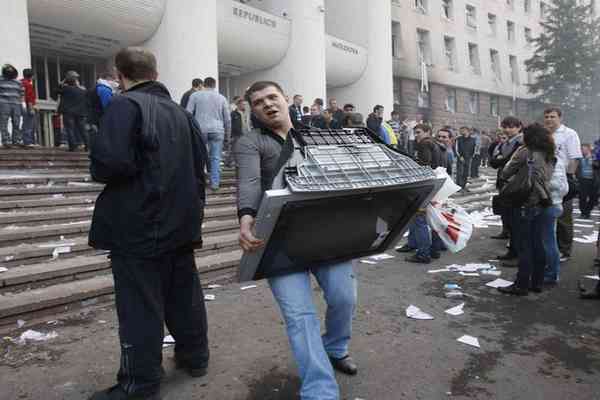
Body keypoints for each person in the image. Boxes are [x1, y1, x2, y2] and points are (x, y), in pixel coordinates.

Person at [87, 47, 209, 400]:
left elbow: (109, 164)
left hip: (140, 226)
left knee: (140, 306)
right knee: (184, 297)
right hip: (181, 223)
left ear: (120, 74)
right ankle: (195, 357)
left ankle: (139, 383)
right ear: (155, 73)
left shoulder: (125, 105)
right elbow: (199, 169)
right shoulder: (182, 113)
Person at [235, 81, 358, 400]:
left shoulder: (316, 133)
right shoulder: (250, 142)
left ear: (286, 100)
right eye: (259, 102)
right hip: (279, 240)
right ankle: (320, 390)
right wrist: (246, 216)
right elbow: (249, 182)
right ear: (254, 110)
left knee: (344, 298)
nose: (267, 104)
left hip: (327, 234)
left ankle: (335, 347)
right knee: (299, 317)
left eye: (272, 97)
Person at [498, 123, 554, 296]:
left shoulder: (525, 151)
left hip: (524, 202)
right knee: (538, 243)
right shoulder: (549, 153)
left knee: (524, 246)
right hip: (543, 201)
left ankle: (521, 284)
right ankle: (536, 282)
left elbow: (506, 172)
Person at [397, 124, 447, 263]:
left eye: (418, 132)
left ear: (428, 132)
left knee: (418, 218)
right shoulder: (436, 144)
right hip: (436, 184)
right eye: (415, 132)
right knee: (432, 218)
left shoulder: (424, 144)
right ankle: (431, 248)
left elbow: (424, 164)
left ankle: (423, 253)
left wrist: (411, 165)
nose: (416, 135)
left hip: (425, 186)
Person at [544, 107, 582, 260]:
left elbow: (574, 157)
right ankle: (550, 248)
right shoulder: (544, 134)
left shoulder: (569, 134)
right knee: (547, 216)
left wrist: (570, 177)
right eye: (546, 116)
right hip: (545, 179)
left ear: (560, 118)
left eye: (552, 116)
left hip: (563, 179)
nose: (549, 119)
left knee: (563, 216)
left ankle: (564, 249)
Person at [187, 76, 231, 191]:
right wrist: (228, 135)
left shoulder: (195, 96)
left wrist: (189, 130)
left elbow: (188, 113)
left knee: (199, 156)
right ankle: (214, 184)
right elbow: (227, 119)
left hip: (200, 129)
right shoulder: (222, 98)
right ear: (214, 85)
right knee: (215, 158)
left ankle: (199, 182)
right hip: (217, 130)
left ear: (204, 84)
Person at [492, 117, 524, 258]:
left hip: (515, 183)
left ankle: (516, 252)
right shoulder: (504, 143)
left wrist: (500, 160)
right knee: (508, 217)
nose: (507, 129)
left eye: (511, 127)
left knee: (516, 220)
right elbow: (493, 162)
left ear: (518, 127)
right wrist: (499, 160)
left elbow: (508, 161)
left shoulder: (520, 142)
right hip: (504, 181)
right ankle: (512, 248)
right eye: (505, 127)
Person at [57, 71, 88, 151]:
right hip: (80, 113)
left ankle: (72, 146)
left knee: (69, 129)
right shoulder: (82, 90)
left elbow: (56, 91)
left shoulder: (66, 89)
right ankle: (88, 146)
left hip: (69, 112)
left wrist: (61, 83)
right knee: (83, 130)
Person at [0, 64, 24, 148]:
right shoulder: (1, 80)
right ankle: (6, 141)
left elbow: (21, 93)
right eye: (8, 70)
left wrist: (21, 103)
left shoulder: (18, 82)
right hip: (4, 103)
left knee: (17, 123)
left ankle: (16, 141)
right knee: (4, 122)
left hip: (16, 104)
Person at [225, 96, 249, 167]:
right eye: (242, 104)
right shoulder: (233, 114)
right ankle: (228, 162)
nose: (244, 106)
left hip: (244, 134)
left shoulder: (245, 113)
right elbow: (230, 124)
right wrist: (229, 135)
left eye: (244, 104)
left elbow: (247, 123)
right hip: (236, 134)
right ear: (238, 105)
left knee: (242, 149)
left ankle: (239, 162)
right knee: (233, 149)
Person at [577, 144, 598, 219]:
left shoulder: (594, 157)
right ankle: (583, 212)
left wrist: (593, 161)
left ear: (589, 150)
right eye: (582, 149)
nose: (583, 151)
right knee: (582, 197)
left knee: (593, 197)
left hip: (593, 180)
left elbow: (597, 166)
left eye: (585, 149)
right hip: (583, 180)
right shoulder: (579, 158)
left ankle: (588, 211)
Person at [20, 68, 37, 147]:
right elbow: (29, 98)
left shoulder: (20, 83)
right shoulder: (28, 85)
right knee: (29, 124)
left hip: (19, 105)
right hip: (27, 106)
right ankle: (28, 142)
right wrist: (31, 109)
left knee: (24, 123)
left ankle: (23, 140)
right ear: (31, 76)